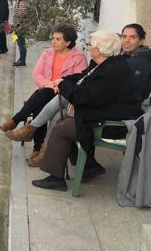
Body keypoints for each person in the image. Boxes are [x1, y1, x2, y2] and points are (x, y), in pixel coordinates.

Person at [32, 30, 142, 191]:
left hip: (112, 123)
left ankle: (55, 178)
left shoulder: (111, 71)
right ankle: (90, 167)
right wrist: (63, 81)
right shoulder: (104, 63)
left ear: (98, 50)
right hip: (102, 113)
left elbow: (83, 97)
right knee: (64, 121)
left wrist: (63, 85)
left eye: (90, 45)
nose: (89, 47)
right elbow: (81, 78)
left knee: (61, 128)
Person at [7, 24, 151, 145]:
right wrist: (55, 83)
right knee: (53, 103)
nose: (126, 41)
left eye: (132, 37)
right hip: (73, 94)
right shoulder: (118, 59)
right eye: (124, 36)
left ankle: (29, 130)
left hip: (109, 111)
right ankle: (41, 147)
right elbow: (38, 74)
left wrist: (62, 84)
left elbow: (101, 90)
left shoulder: (133, 63)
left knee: (58, 103)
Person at [1, 25, 87, 166]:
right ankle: (38, 149)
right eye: (53, 38)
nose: (53, 41)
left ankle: (17, 122)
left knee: (41, 100)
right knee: (41, 103)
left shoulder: (78, 58)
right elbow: (37, 74)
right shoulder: (48, 53)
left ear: (68, 42)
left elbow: (78, 80)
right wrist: (49, 84)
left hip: (64, 95)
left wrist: (58, 86)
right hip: (46, 88)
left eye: (58, 39)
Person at [12, 0, 29, 66]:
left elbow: (22, 15)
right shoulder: (19, 0)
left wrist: (17, 26)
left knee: (21, 45)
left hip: (20, 27)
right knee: (20, 44)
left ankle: (22, 61)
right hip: (17, 26)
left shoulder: (24, 1)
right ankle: (21, 59)